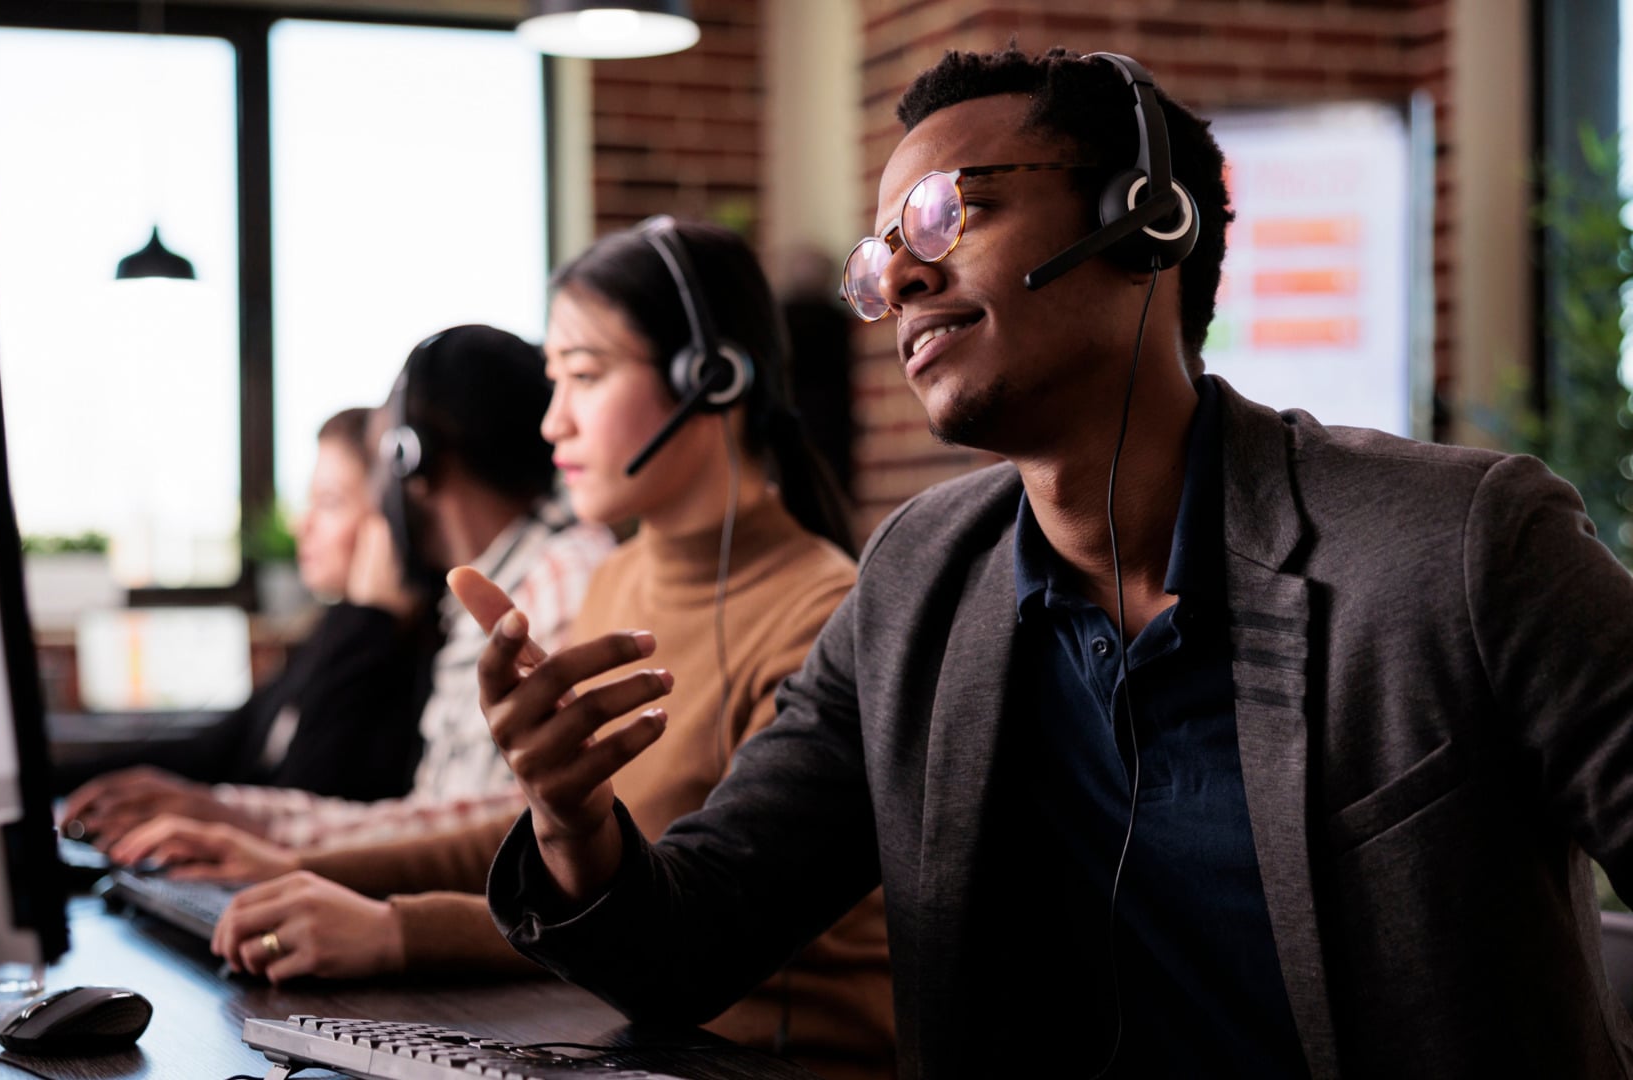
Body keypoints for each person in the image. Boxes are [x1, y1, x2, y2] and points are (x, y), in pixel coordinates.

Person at [470, 46, 1633, 1079]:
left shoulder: (1463, 546)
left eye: (941, 216)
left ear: (1145, 219)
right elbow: (691, 944)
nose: (904, 282)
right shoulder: (917, 583)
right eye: (883, 260)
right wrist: (574, 821)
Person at [115, 221, 897, 1080]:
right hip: (620, 1034)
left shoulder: (819, 612)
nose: (553, 419)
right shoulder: (624, 577)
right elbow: (553, 839)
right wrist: (304, 866)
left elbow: (662, 902)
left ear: (708, 379)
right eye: (553, 380)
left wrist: (395, 932)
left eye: (586, 377)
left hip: (755, 1059)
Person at [63, 325, 613, 850]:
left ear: (409, 461)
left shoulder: (554, 582)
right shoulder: (479, 595)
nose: (378, 500)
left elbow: (507, 838)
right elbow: (445, 816)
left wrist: (269, 841)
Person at [52, 408, 434, 818]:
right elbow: (213, 749)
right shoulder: (331, 635)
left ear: (393, 522)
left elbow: (309, 794)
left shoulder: (404, 655)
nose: (301, 526)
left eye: (329, 502)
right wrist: (44, 775)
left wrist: (368, 616)